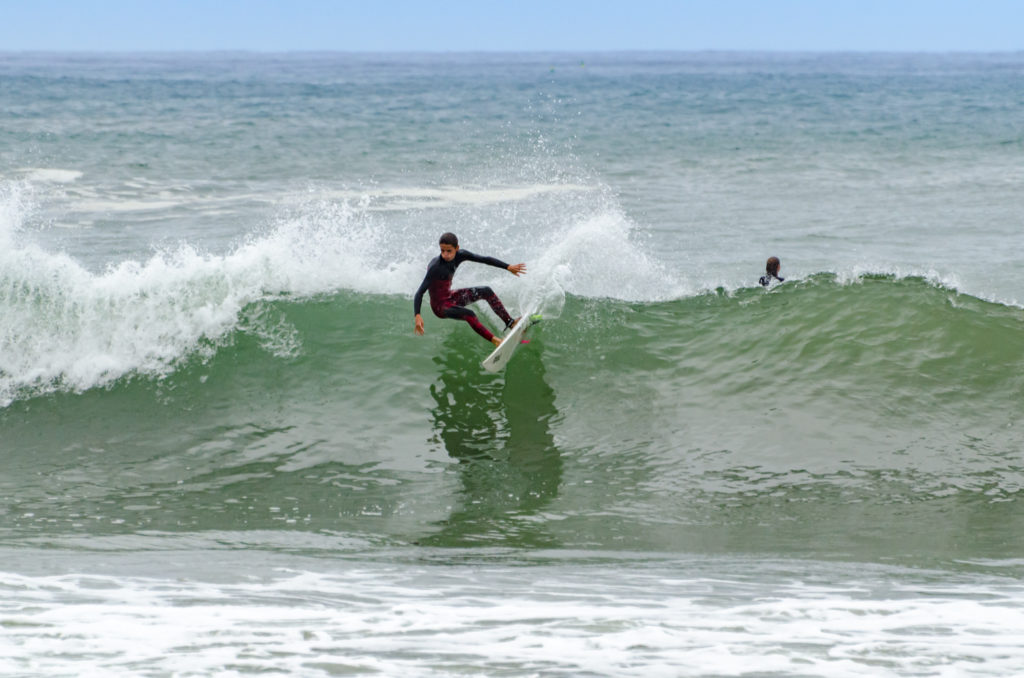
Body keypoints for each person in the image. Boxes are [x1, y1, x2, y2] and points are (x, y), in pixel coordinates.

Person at [414, 232, 526, 346]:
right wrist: (417, 315)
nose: (445, 255)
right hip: (440, 307)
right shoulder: (435, 267)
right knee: (469, 314)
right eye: (442, 251)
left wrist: (508, 267)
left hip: (450, 297)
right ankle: (496, 341)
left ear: (457, 248)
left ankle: (510, 322)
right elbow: (419, 293)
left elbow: (484, 259)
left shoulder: (461, 255)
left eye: (449, 251)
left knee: (486, 291)